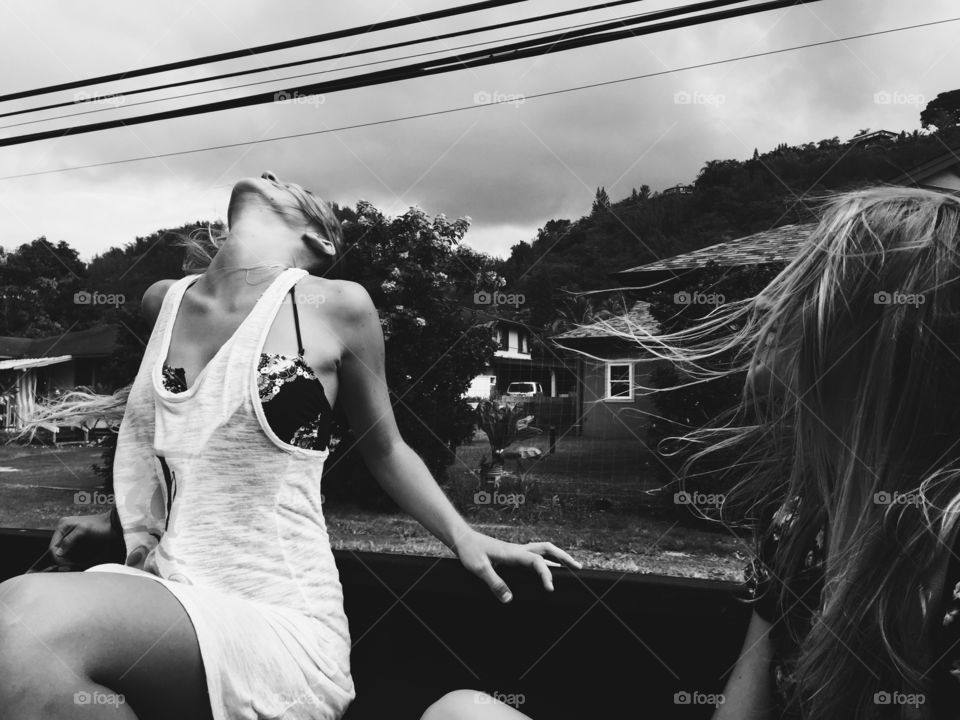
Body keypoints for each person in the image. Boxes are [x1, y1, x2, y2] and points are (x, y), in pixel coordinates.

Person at [0, 171, 581, 720]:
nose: (271, 173)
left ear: (318, 237)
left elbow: (386, 450)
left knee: (20, 619)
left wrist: (466, 534)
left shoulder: (335, 306)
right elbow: (189, 446)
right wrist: (120, 522)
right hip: (168, 596)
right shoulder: (163, 302)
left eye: (287, 184)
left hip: (278, 622)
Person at [420, 186, 960, 720]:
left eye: (810, 284)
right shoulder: (800, 527)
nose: (769, 301)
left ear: (885, 342)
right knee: (460, 712)